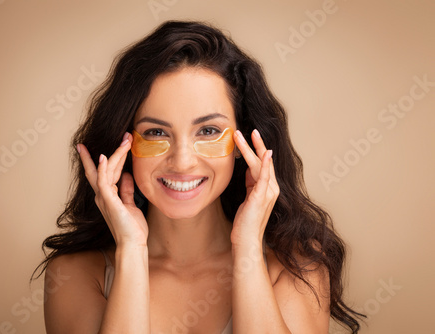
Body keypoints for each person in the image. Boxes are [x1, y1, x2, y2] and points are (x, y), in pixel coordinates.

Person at [33, 20, 364, 333]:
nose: (182, 161)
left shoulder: (297, 270)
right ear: (126, 143)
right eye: (157, 132)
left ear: (243, 141)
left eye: (208, 130)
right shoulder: (75, 274)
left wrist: (247, 246)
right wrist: (132, 249)